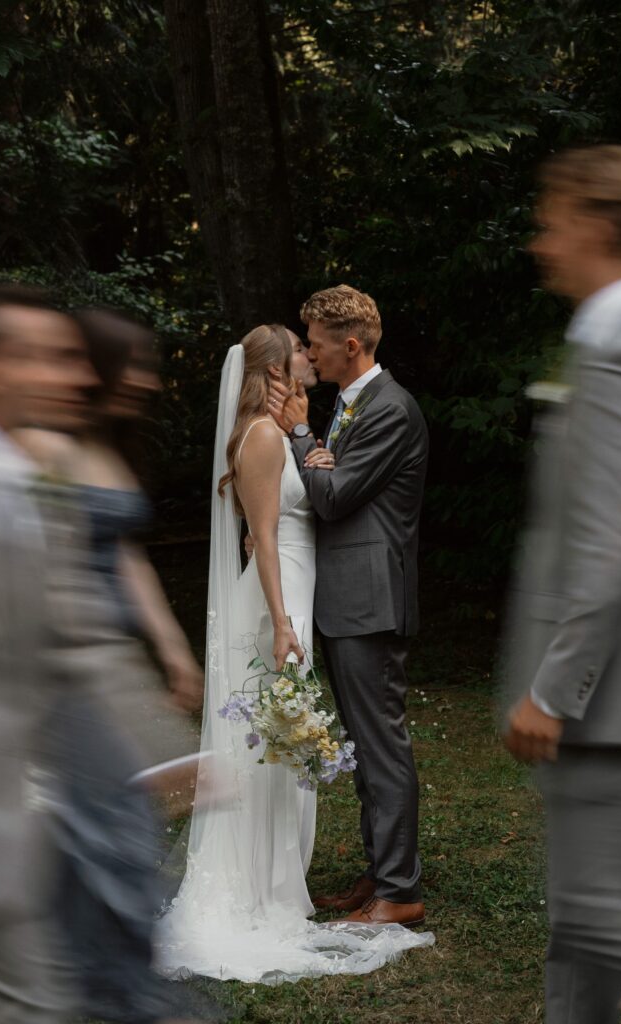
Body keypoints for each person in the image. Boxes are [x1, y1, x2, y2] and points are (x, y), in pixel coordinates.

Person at [155, 323, 433, 984]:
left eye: (315, 347)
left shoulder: (285, 434)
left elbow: (297, 514)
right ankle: (257, 888)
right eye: (300, 351)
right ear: (277, 371)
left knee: (284, 748)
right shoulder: (260, 436)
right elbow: (267, 540)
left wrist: (317, 459)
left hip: (305, 594)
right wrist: (281, 621)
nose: (311, 357)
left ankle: (280, 885)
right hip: (285, 603)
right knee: (273, 746)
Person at [15, 307, 212, 1024]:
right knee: (106, 836)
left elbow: (128, 557)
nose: (147, 379)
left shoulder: (109, 449)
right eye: (133, 363)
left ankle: (109, 980)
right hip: (67, 669)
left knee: (125, 836)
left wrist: (170, 647)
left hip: (112, 659)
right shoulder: (42, 448)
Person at [502, 145, 621, 1024]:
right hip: (618, 694)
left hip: (605, 702)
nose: (540, 242)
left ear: (594, 226)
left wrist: (553, 689)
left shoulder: (618, 346)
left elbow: (611, 538)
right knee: (578, 927)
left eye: (551, 220)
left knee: (594, 914)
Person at [268, 285, 429, 928]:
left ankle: (400, 890)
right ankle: (379, 873)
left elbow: (332, 498)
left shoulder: (390, 408)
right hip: (347, 597)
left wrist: (302, 434)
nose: (309, 351)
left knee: (381, 745)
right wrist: (319, 453)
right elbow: (328, 481)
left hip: (370, 598)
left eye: (314, 342)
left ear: (350, 344)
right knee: (365, 745)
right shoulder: (350, 404)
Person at [0, 281, 96, 1024]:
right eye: (36, 357)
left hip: (1, 819)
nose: (68, 376)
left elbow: (72, 642)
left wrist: (160, 754)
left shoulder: (39, 477)